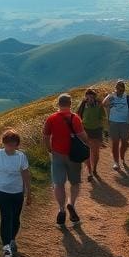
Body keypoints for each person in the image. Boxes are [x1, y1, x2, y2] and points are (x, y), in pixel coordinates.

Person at [0, 128, 32, 257]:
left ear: (17, 145)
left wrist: (29, 193)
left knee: (15, 217)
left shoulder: (21, 156)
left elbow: (26, 174)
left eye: (13, 144)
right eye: (8, 143)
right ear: (3, 143)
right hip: (0, 190)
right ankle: (6, 249)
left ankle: (11, 240)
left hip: (17, 192)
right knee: (6, 216)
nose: (10, 146)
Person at [43, 93, 90, 227]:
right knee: (75, 183)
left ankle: (61, 209)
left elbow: (46, 136)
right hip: (74, 156)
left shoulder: (51, 118)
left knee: (58, 184)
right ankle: (71, 204)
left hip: (57, 154)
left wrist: (49, 149)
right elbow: (82, 135)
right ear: (70, 104)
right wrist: (88, 144)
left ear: (58, 104)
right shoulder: (75, 118)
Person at [103, 79, 129, 171]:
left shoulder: (128, 97)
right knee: (115, 143)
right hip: (113, 122)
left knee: (125, 143)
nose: (120, 91)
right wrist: (110, 96)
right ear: (115, 88)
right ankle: (116, 162)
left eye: (121, 89)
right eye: (118, 89)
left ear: (124, 89)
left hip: (125, 122)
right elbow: (104, 104)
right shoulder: (112, 96)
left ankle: (122, 155)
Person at [76, 88, 105, 181]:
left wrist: (100, 126)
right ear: (86, 98)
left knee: (95, 152)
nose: (90, 99)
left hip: (96, 131)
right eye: (88, 97)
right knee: (86, 152)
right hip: (85, 130)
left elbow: (102, 117)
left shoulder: (99, 105)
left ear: (94, 97)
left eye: (92, 97)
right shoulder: (83, 105)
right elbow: (78, 117)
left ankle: (94, 168)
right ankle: (90, 171)